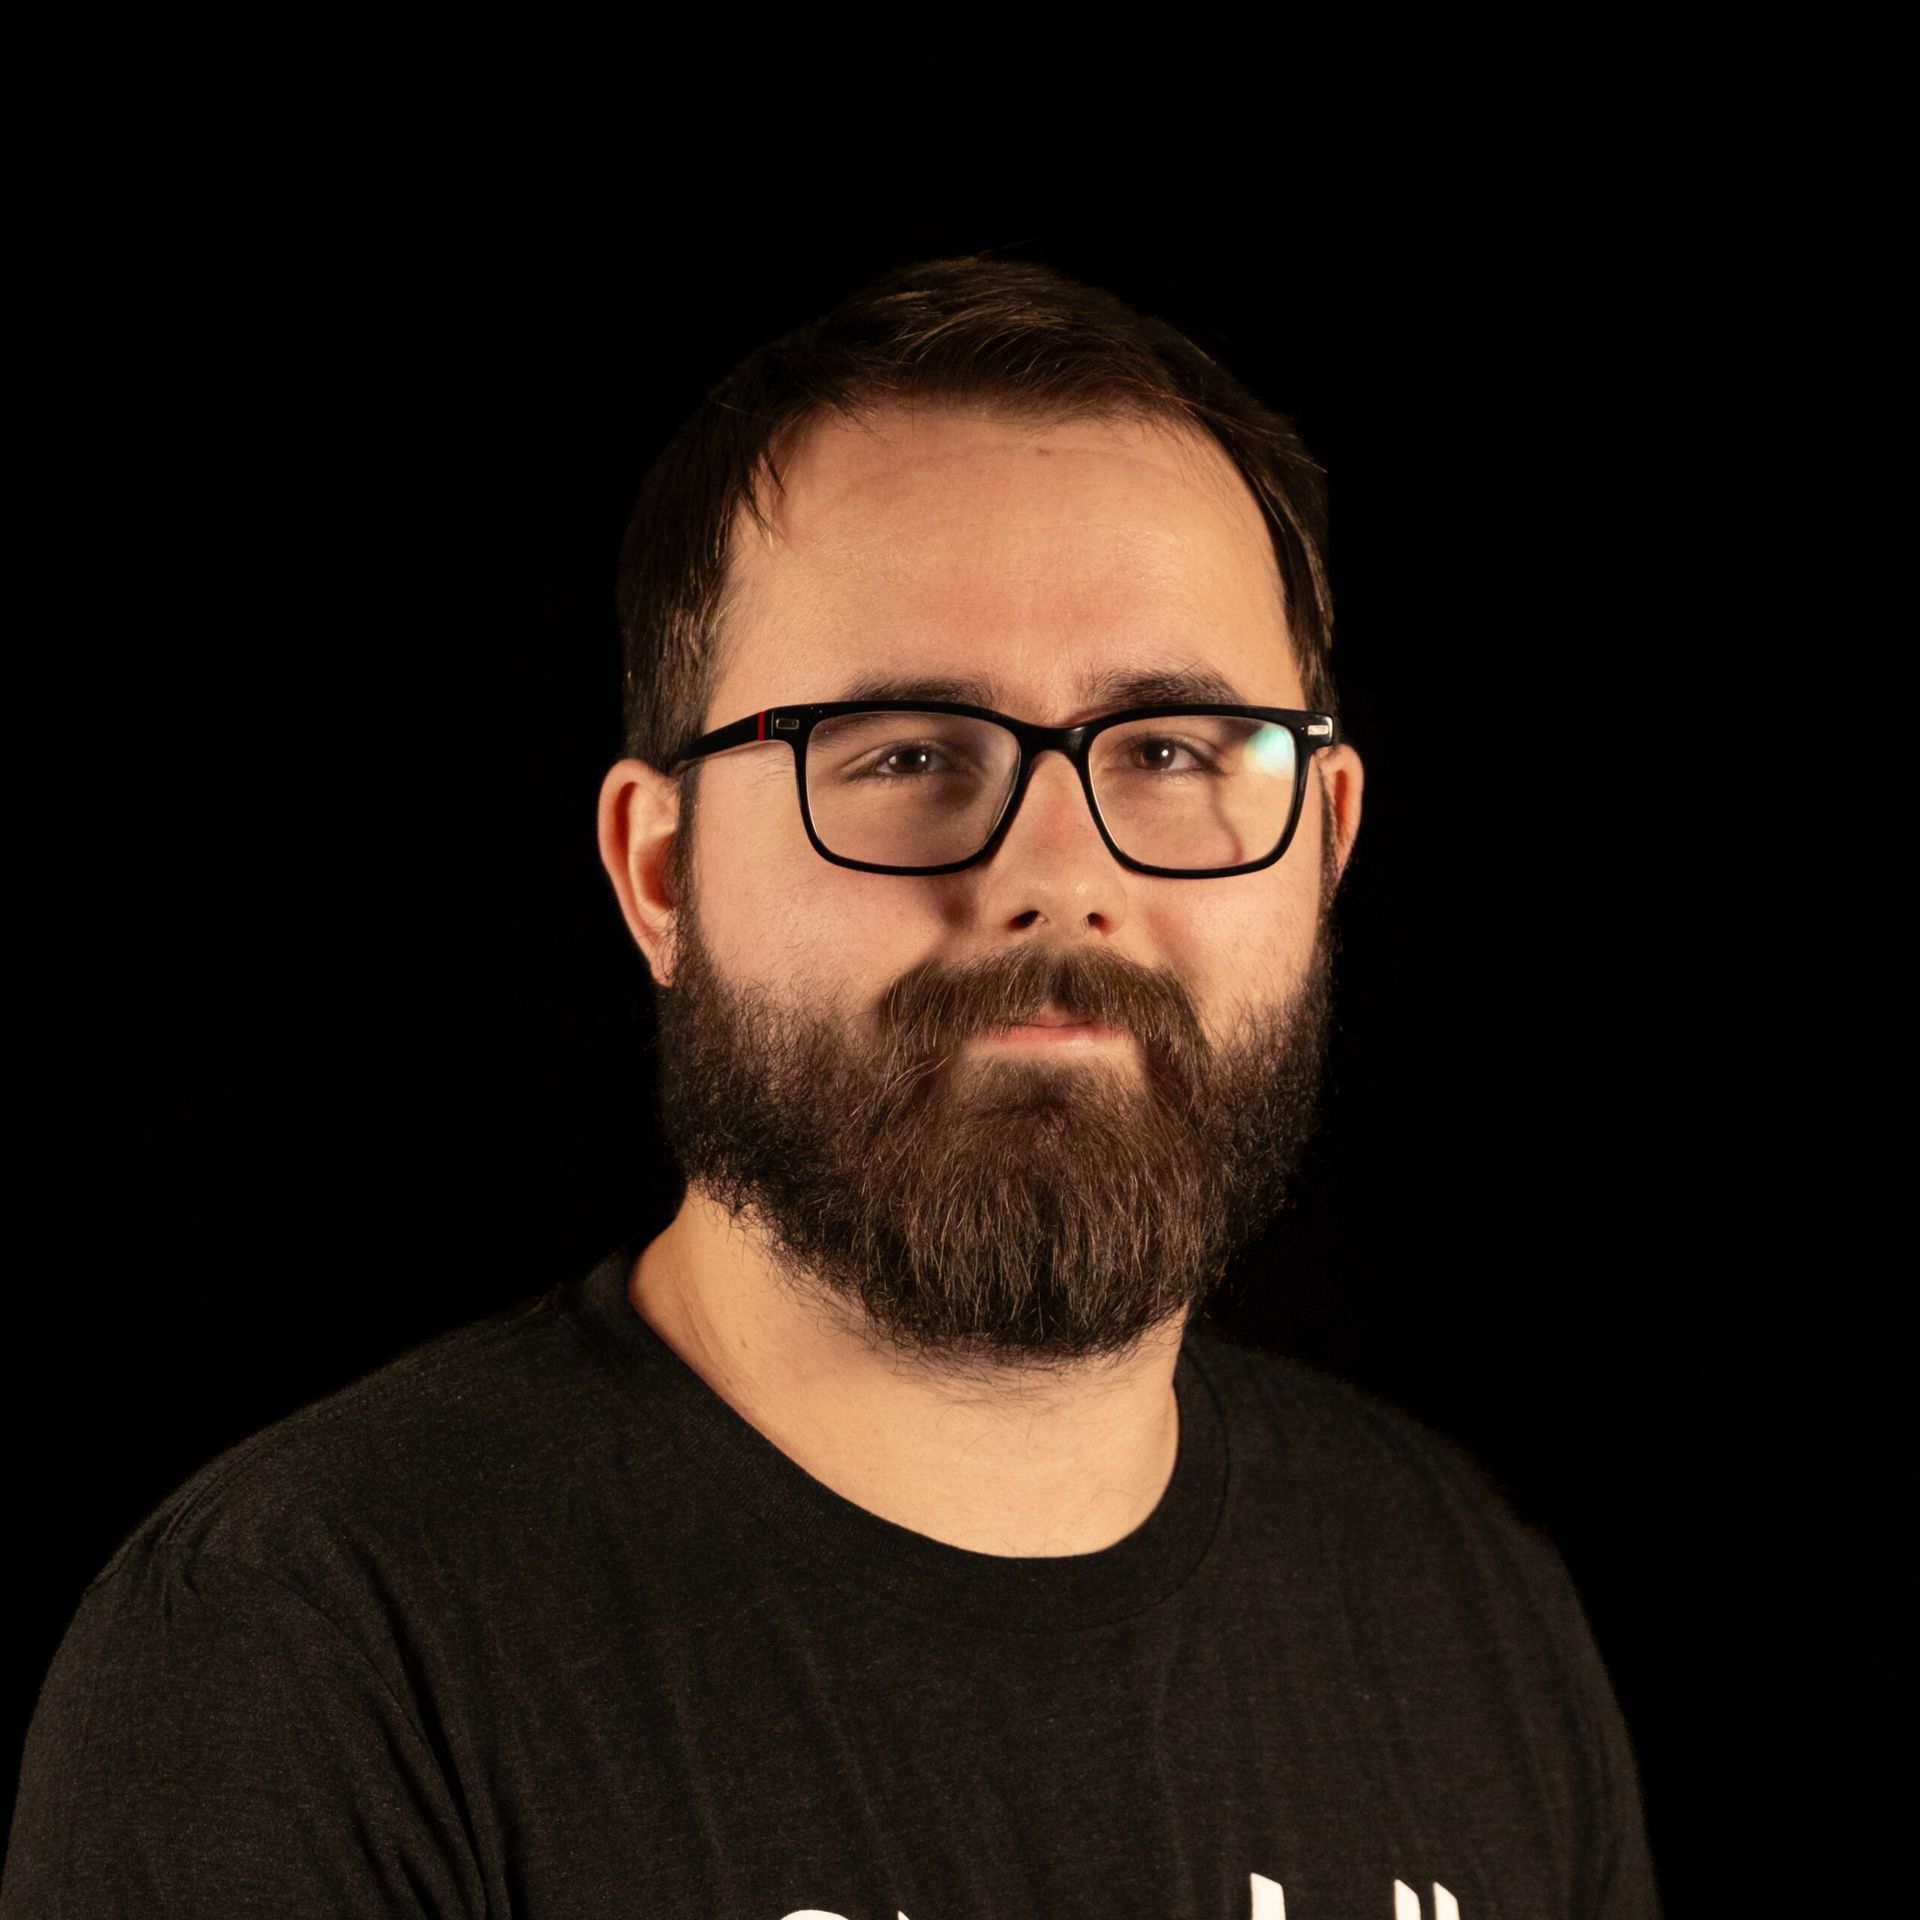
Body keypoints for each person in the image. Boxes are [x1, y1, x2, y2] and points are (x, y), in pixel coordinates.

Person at [3, 255, 1660, 1918]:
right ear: (662, 873)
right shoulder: (308, 1655)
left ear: (1327, 842)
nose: (1057, 878)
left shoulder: (1463, 1604)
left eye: (1169, 750)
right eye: (907, 754)